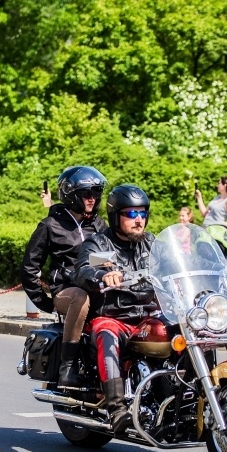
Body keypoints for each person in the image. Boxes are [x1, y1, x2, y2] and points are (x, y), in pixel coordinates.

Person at [74, 184, 155, 433]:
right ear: (115, 215)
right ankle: (117, 408)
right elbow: (83, 269)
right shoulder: (99, 244)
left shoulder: (152, 243)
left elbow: (177, 263)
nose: (138, 220)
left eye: (142, 213)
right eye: (131, 214)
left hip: (149, 314)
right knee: (105, 332)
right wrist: (101, 275)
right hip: (115, 315)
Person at [20, 166, 108, 387]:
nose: (92, 199)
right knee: (80, 297)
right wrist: (44, 303)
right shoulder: (51, 225)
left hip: (98, 287)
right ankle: (67, 366)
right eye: (87, 194)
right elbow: (30, 268)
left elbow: (111, 258)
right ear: (71, 194)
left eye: (96, 193)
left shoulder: (99, 225)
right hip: (67, 291)